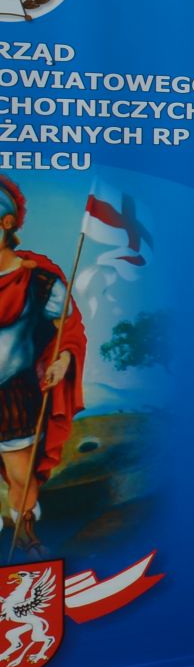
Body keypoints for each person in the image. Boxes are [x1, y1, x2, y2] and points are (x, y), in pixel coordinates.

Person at [0, 176, 85, 558]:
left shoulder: (38, 281)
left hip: (10, 393)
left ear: (6, 223)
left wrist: (64, 358)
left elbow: (68, 327)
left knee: (20, 473)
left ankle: (25, 537)